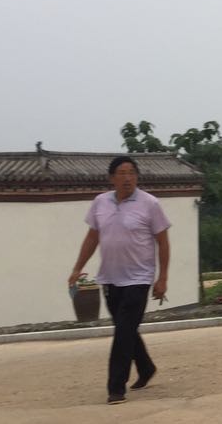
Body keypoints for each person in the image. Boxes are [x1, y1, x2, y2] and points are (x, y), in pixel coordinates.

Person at [68, 155, 171, 405]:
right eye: (122, 173)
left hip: (139, 278)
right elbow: (92, 238)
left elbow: (163, 242)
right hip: (110, 278)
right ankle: (145, 367)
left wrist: (162, 278)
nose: (128, 178)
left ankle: (116, 387)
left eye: (132, 173)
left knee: (123, 331)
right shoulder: (100, 202)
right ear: (112, 178)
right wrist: (77, 268)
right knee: (126, 328)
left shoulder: (150, 204)